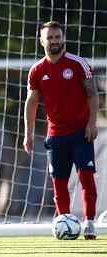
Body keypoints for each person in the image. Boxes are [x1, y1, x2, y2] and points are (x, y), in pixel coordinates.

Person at [23, 21, 100, 239]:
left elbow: (92, 94)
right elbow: (31, 102)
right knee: (59, 183)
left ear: (63, 38)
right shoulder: (37, 70)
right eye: (50, 37)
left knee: (86, 177)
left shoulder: (78, 64)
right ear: (42, 41)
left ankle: (90, 224)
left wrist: (92, 123)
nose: (54, 41)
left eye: (57, 37)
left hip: (81, 133)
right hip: (55, 136)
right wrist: (27, 133)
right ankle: (64, 222)